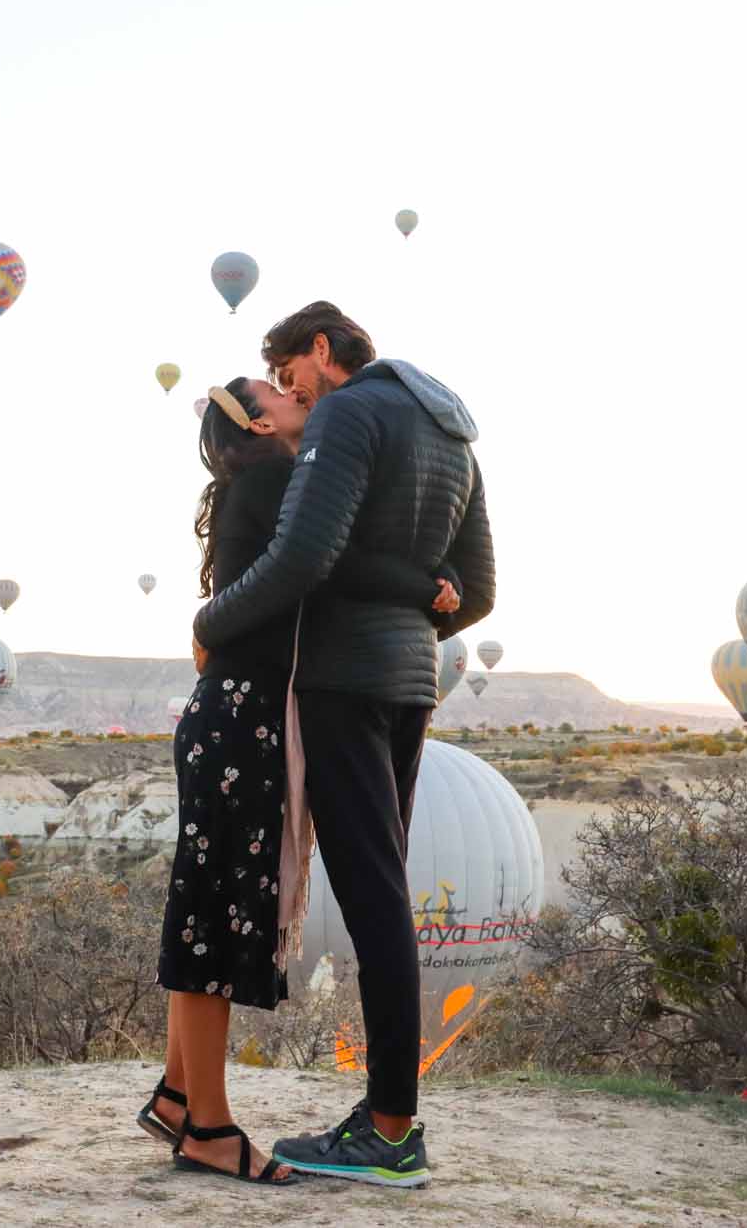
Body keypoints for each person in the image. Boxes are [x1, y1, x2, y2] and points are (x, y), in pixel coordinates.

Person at [192, 300, 495, 1189]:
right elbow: (473, 592)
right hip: (410, 684)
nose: (292, 396)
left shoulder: (349, 412)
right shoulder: (450, 428)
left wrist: (209, 619)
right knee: (383, 888)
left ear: (322, 351)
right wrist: (417, 590)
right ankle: (386, 1114)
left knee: (372, 900)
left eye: (290, 378)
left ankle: (393, 1130)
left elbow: (301, 559)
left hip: (342, 681)